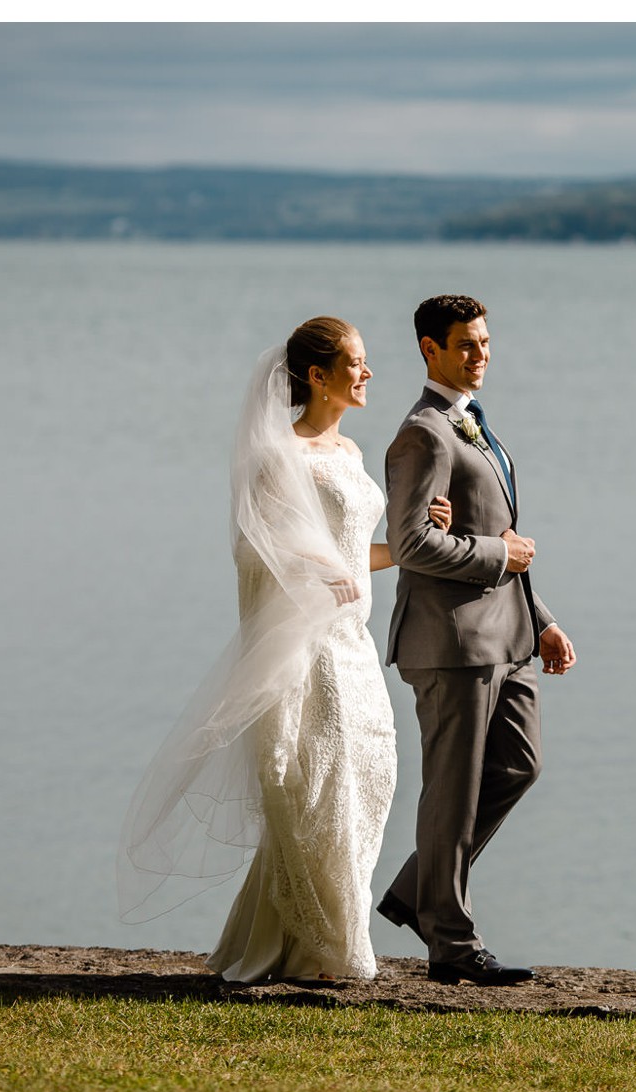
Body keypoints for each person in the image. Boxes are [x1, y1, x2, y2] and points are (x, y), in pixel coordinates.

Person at [119, 316, 451, 983]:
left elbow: (356, 558)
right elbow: (256, 548)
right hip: (308, 647)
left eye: (365, 360)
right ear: (318, 376)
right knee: (318, 786)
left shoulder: (353, 455)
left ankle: (290, 934)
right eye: (355, 362)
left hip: (353, 642)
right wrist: (312, 570)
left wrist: (419, 535)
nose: (368, 372)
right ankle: (330, 949)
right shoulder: (277, 455)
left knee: (371, 774)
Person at [374, 294, 577, 986]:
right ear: (430, 349)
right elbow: (411, 542)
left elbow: (498, 536)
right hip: (451, 643)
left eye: (485, 342)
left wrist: (542, 617)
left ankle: (416, 892)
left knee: (520, 764)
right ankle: (451, 946)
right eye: (466, 344)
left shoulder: (473, 426)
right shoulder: (424, 434)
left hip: (509, 635)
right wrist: (498, 556)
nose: (481, 354)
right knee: (452, 794)